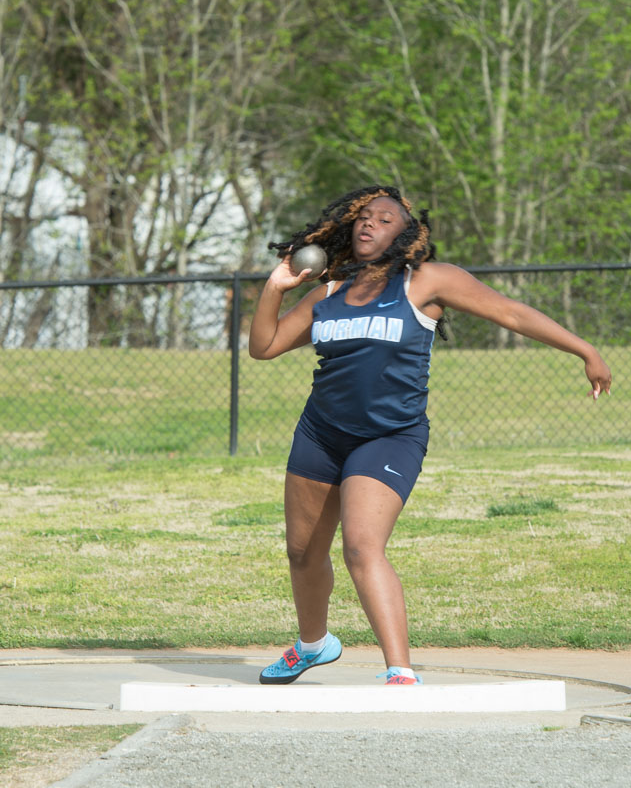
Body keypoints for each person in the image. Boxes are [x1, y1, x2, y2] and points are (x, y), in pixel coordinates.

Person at [248, 185, 611, 685]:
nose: (369, 224)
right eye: (363, 217)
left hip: (389, 437)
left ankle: (400, 671)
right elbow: (263, 347)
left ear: (407, 236)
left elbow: (510, 313)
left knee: (361, 545)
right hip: (320, 433)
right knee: (302, 551)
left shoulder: (425, 282)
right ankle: (313, 645)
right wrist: (276, 286)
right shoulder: (327, 294)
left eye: (385, 219)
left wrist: (584, 349)